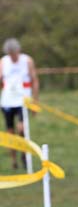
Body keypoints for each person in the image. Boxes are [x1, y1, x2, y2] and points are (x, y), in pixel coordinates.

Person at [0, 38, 39, 169]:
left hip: (23, 100)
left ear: (18, 51)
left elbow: (34, 80)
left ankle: (24, 155)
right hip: (7, 101)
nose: (12, 56)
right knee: (10, 132)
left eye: (14, 53)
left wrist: (35, 101)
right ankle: (13, 160)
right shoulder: (3, 62)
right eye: (10, 54)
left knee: (21, 128)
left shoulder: (27, 60)